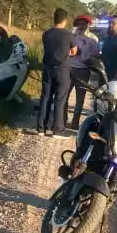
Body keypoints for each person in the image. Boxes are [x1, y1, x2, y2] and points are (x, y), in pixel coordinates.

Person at [37, 8, 77, 137]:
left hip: (47, 69)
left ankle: (41, 128)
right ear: (65, 20)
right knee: (60, 100)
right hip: (62, 70)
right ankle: (57, 130)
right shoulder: (68, 35)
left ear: (54, 19)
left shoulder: (46, 34)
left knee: (45, 98)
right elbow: (74, 51)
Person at [69, 14, 101, 129]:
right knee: (64, 95)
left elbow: (96, 55)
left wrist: (88, 58)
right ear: (77, 24)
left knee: (80, 98)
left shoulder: (93, 39)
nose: (82, 25)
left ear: (89, 25)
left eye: (85, 23)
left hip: (83, 70)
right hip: (70, 68)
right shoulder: (71, 36)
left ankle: (74, 123)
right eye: (80, 23)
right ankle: (62, 120)